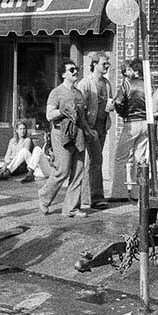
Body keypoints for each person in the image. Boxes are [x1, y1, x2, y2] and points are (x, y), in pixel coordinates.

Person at [38, 59, 94, 218]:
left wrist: (88, 131)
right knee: (62, 170)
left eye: (76, 69)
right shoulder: (56, 92)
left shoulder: (79, 93)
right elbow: (49, 115)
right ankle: (44, 197)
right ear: (63, 74)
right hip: (61, 133)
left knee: (78, 170)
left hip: (79, 133)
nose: (75, 72)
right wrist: (63, 111)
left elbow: (81, 116)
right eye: (71, 70)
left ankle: (71, 208)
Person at [77, 53, 114, 210]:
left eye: (108, 64)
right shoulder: (85, 83)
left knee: (94, 161)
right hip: (88, 127)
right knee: (94, 161)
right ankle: (94, 197)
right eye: (104, 64)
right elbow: (78, 107)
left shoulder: (107, 83)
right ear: (94, 64)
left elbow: (110, 102)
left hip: (102, 126)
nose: (107, 67)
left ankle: (88, 197)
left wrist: (111, 108)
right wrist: (85, 128)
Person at [112, 58, 148, 198]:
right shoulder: (147, 85)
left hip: (131, 123)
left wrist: (122, 113)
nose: (127, 73)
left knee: (121, 157)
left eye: (130, 70)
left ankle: (119, 192)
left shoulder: (127, 84)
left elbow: (119, 102)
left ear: (135, 71)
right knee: (140, 158)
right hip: (145, 123)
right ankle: (138, 192)